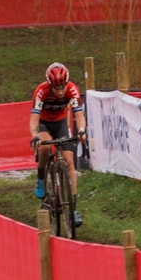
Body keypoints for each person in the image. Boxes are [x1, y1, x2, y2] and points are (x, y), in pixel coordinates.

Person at [29, 62, 88, 226]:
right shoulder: (41, 92)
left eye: (62, 86)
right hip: (43, 123)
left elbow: (79, 115)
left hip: (61, 122)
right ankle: (41, 178)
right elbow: (34, 118)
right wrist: (35, 136)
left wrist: (82, 130)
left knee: (69, 161)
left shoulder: (72, 90)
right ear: (50, 85)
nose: (60, 91)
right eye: (56, 88)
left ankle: (73, 208)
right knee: (45, 147)